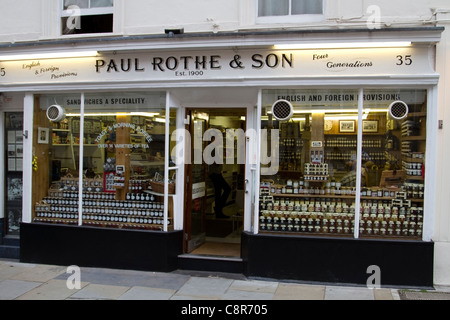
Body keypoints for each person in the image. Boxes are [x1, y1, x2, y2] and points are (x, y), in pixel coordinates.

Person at [208, 138, 231, 219]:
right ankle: (218, 208)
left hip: (216, 173)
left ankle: (218, 211)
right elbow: (215, 161)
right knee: (227, 189)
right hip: (215, 173)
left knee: (218, 192)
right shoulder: (212, 149)